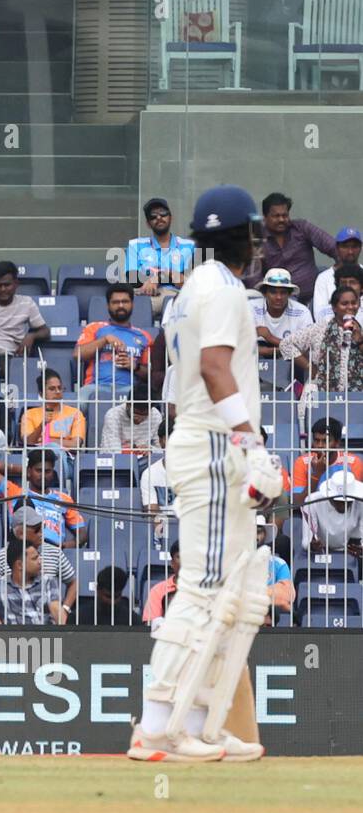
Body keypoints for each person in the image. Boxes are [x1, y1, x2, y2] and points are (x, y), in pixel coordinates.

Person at [129, 184, 283, 765]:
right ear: (247, 235)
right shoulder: (220, 291)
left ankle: (199, 721)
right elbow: (215, 368)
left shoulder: (198, 286)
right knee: (202, 588)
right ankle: (156, 726)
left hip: (212, 444)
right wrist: (251, 442)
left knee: (230, 592)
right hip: (216, 447)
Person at [0, 449, 88, 547]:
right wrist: (25, 471)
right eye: (38, 470)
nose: (43, 475)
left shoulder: (64, 498)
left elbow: (82, 534)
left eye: (47, 471)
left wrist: (63, 546)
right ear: (29, 471)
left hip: (54, 551)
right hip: (24, 550)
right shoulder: (15, 492)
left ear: (53, 473)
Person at [0, 504, 77, 610]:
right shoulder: (1, 556)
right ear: (20, 533)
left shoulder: (55, 553)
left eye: (42, 527)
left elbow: (73, 582)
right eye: (36, 529)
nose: (41, 533)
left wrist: (65, 609)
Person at [74, 282, 152, 401]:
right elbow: (78, 355)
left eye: (125, 301)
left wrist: (135, 366)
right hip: (95, 387)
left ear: (132, 304)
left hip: (130, 389)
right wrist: (104, 340)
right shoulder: (94, 328)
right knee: (78, 406)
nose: (120, 305)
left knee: (150, 409)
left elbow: (150, 374)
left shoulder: (144, 336)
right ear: (108, 306)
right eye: (115, 302)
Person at [279, 285, 363, 391]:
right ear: (334, 307)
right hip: (321, 392)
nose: (350, 307)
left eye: (353, 303)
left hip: (357, 396)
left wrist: (359, 339)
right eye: (344, 304)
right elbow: (286, 344)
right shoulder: (320, 328)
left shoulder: (361, 328)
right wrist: (309, 367)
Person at [258, 191, 336, 299]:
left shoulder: (301, 228)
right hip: (279, 300)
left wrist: (343, 268)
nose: (281, 219)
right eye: (276, 216)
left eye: (284, 215)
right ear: (265, 217)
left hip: (313, 296)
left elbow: (332, 246)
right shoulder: (258, 239)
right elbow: (254, 277)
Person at [125, 197, 196, 315]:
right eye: (153, 215)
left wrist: (157, 278)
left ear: (170, 217)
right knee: (130, 310)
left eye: (163, 213)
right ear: (148, 223)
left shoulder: (189, 246)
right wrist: (171, 275)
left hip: (177, 296)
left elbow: (188, 282)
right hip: (146, 296)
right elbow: (133, 279)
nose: (159, 217)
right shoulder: (135, 245)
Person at [0, 540, 67, 625]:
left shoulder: (48, 582)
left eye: (39, 557)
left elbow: (56, 608)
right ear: (20, 565)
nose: (40, 561)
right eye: (35, 558)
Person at [291, 417, 363, 500]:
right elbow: (297, 502)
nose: (320, 445)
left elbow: (355, 500)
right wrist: (316, 475)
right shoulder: (302, 462)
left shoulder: (353, 462)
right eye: (316, 440)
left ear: (337, 443)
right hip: (314, 512)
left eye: (325, 441)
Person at [19, 368, 86, 453]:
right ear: (41, 393)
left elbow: (75, 444)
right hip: (37, 457)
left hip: (65, 456)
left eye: (60, 388)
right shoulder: (29, 414)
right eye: (52, 389)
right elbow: (28, 442)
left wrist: (47, 441)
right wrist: (41, 425)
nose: (57, 391)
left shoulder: (76, 413)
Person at [252, 268, 311, 357]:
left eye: (283, 293)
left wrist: (270, 338)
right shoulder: (251, 308)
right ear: (264, 293)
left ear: (289, 294)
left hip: (292, 364)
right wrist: (267, 351)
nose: (278, 297)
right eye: (273, 292)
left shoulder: (302, 312)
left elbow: (307, 349)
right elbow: (238, 346)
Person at [301, 469, 363, 553]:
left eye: (347, 501)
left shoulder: (360, 502)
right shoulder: (312, 501)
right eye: (338, 501)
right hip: (321, 553)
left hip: (352, 553)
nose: (342, 505)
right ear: (329, 497)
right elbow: (307, 540)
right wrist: (312, 546)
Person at [311, 227, 363, 321]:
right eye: (345, 246)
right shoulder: (323, 278)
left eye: (354, 246)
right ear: (337, 248)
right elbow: (319, 315)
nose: (350, 251)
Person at [99, 384, 163, 455]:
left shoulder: (156, 415)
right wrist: (133, 450)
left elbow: (161, 449)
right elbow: (112, 451)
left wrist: (150, 450)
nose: (139, 419)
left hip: (145, 460)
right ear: (128, 404)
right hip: (120, 460)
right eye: (136, 413)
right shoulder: (113, 415)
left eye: (144, 415)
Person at [140, 418, 174, 548]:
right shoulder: (150, 474)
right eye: (169, 438)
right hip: (163, 530)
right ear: (161, 441)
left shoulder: (195, 472)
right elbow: (152, 512)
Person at [142, 541, 180, 628]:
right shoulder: (158, 590)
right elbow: (150, 624)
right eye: (179, 557)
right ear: (172, 563)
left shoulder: (204, 589)